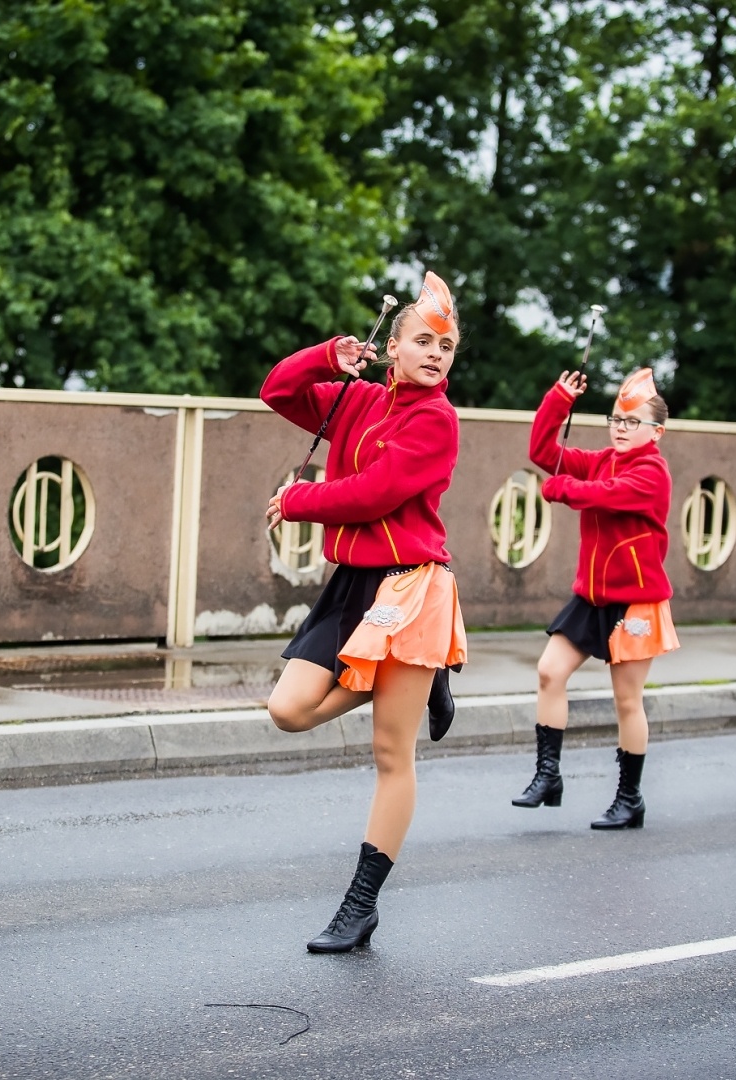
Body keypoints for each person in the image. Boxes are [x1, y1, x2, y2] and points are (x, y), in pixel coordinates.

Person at [261, 273, 468, 952]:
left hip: (409, 586)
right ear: (394, 348)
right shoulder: (357, 400)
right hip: (352, 583)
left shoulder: (437, 419)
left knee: (391, 751)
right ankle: (407, 680)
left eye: (447, 344)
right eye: (423, 340)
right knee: (288, 710)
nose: (436, 353)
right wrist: (328, 356)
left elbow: (376, 494)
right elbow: (275, 391)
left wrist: (297, 501)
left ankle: (360, 905)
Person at [513, 367, 678, 829]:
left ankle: (630, 799)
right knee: (549, 672)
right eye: (616, 419)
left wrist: (561, 488)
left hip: (637, 601)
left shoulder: (652, 473)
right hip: (592, 598)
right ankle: (548, 776)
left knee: (627, 701)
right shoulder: (602, 458)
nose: (621, 429)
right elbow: (543, 452)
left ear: (657, 432)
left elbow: (608, 495)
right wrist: (559, 399)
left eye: (633, 422)